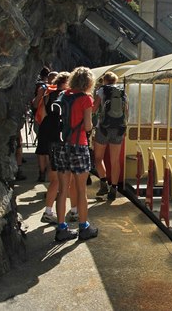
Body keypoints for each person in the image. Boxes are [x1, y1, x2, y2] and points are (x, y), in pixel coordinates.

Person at [51, 67, 98, 241]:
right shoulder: (86, 99)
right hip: (79, 145)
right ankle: (84, 227)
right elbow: (87, 126)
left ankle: (61, 228)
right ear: (88, 82)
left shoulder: (63, 95)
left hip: (62, 146)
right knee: (80, 190)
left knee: (63, 190)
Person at [38, 72, 70, 224]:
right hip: (61, 138)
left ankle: (48, 210)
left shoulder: (47, 94)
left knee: (54, 180)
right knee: (63, 181)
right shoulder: (66, 96)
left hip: (48, 135)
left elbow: (43, 114)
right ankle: (66, 215)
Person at [93, 71, 128, 201]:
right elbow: (127, 111)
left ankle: (103, 183)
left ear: (104, 81)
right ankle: (114, 188)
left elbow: (94, 109)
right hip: (118, 129)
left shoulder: (102, 91)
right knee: (115, 161)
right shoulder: (122, 91)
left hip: (103, 128)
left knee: (98, 158)